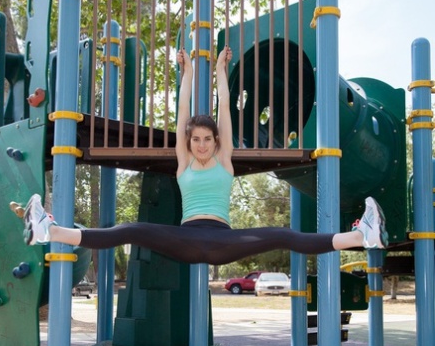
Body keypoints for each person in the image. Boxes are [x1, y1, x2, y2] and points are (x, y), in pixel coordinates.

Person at [23, 46, 388, 265]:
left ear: (216, 142)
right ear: (189, 141)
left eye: (206, 139)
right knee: (129, 229)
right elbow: (183, 110)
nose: (200, 145)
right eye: (195, 139)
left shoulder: (224, 159)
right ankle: (49, 231)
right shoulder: (183, 161)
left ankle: (361, 238)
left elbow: (226, 106)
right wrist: (186, 73)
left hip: (224, 241)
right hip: (185, 238)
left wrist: (219, 72)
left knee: (283, 233)